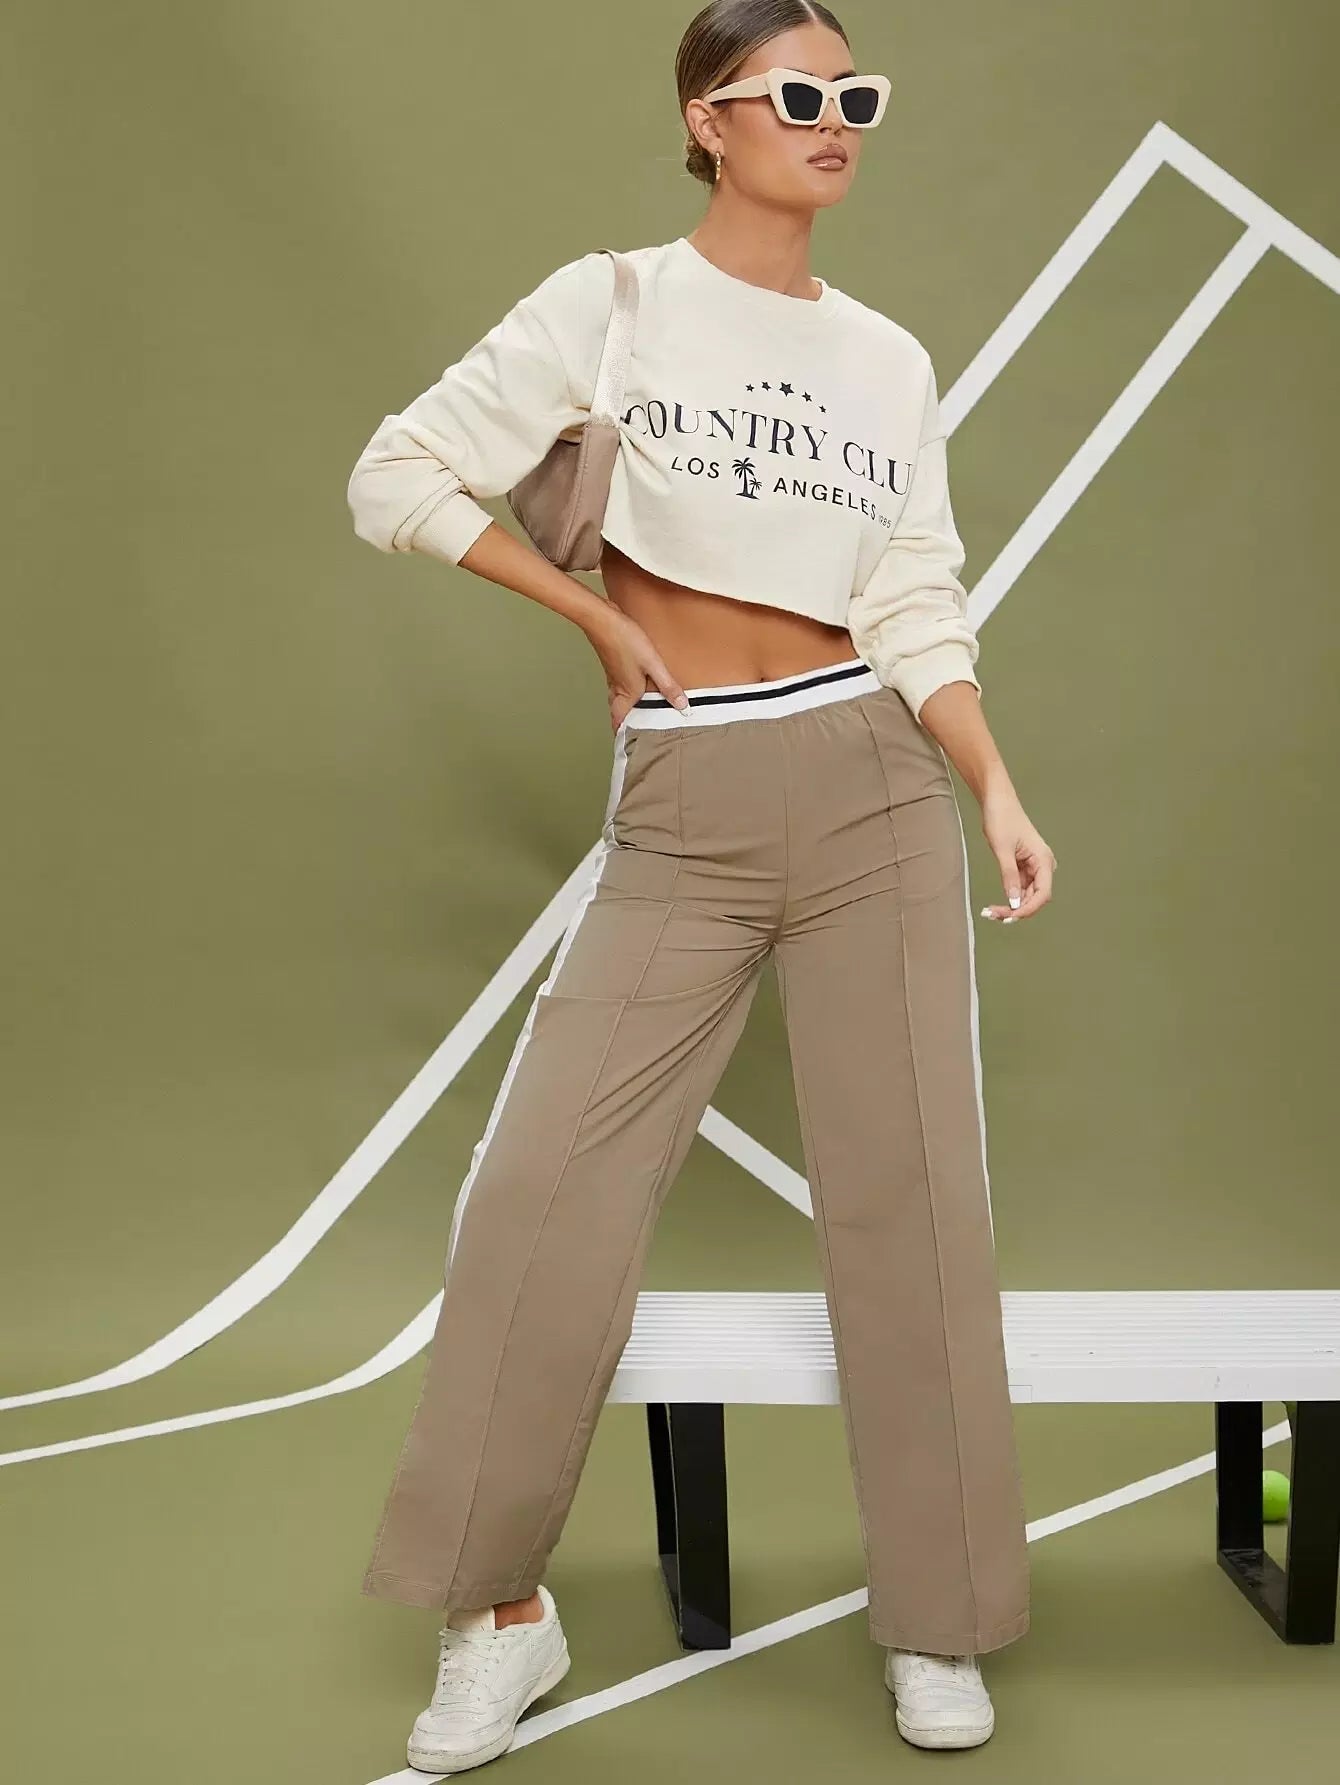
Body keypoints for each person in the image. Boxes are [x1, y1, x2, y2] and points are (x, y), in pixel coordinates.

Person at [346, 0, 1056, 1770]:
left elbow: (913, 592)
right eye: (798, 93)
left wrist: (990, 779)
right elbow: (395, 475)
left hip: (875, 782)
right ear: (707, 117)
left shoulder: (887, 357)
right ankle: (498, 1616)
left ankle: (941, 1617)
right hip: (685, 798)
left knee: (912, 1204)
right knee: (542, 1198)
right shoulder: (613, 303)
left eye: (857, 95)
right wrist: (592, 617)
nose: (837, 119)